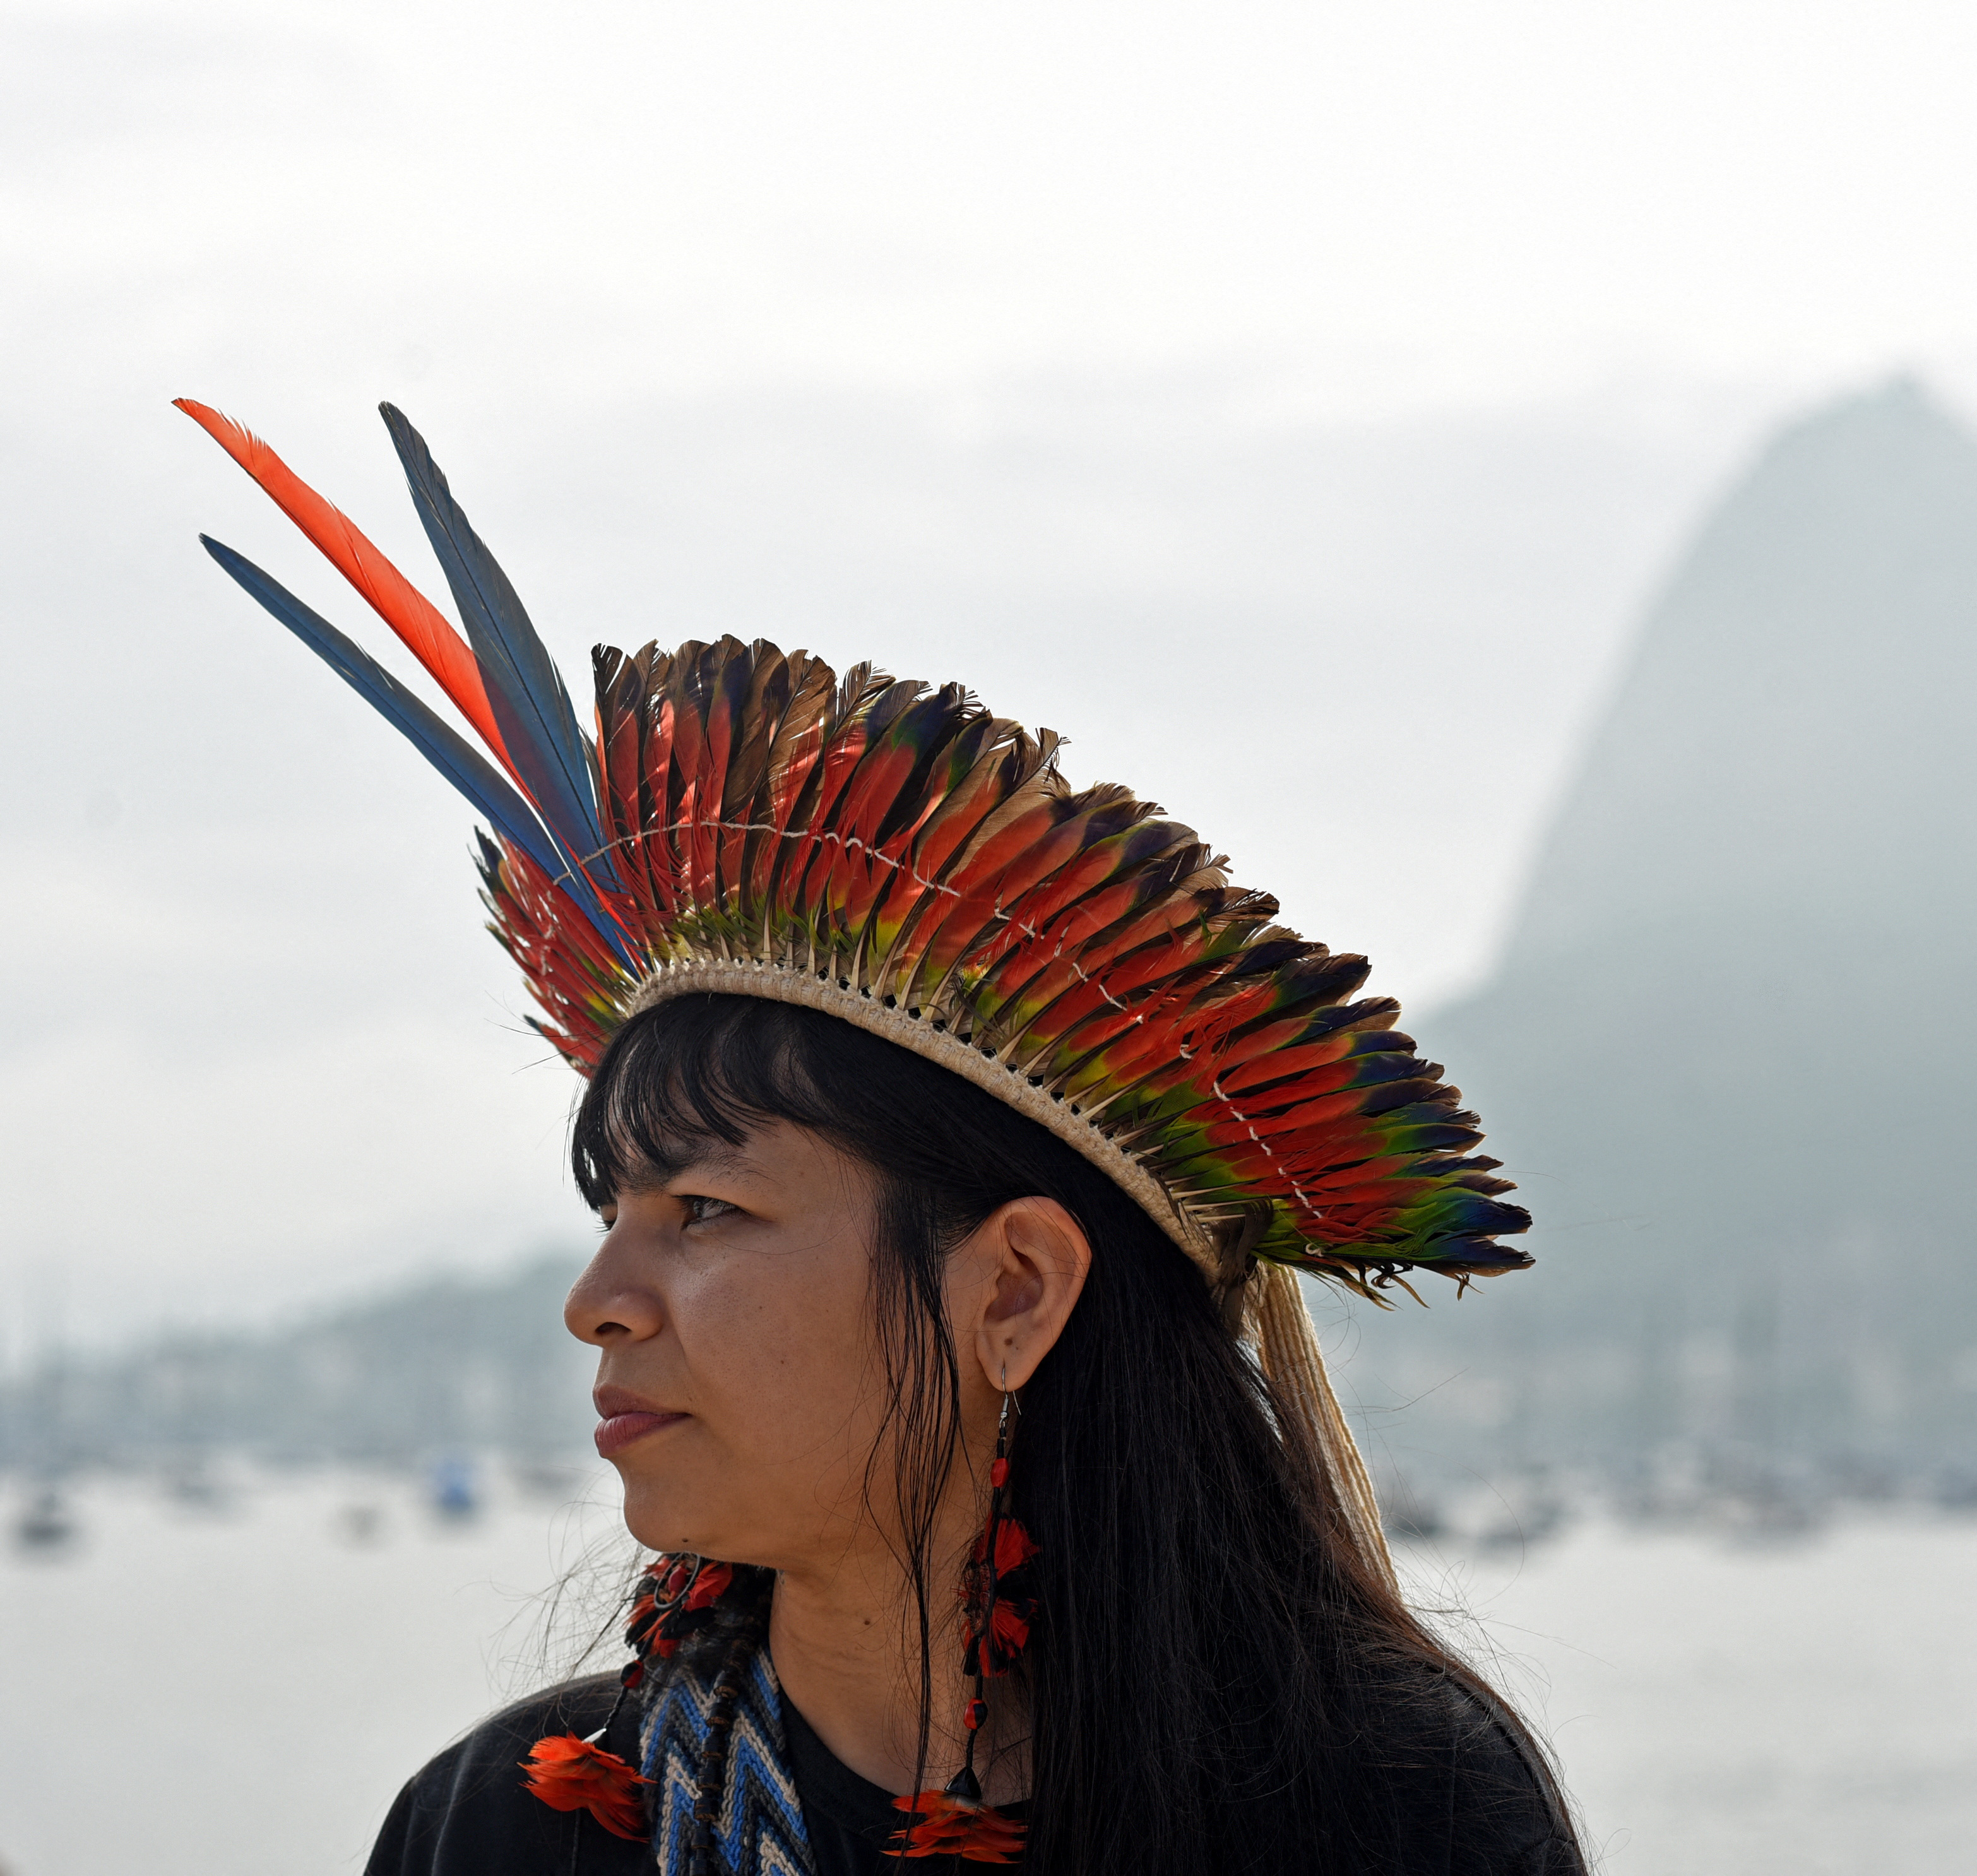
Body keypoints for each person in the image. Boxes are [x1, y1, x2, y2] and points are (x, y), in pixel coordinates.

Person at [179, 398, 1579, 1876]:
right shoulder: (515, 1833)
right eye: (617, 1209)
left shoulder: (1390, 1813)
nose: (599, 1299)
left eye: (705, 1209)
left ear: (1016, 1290)